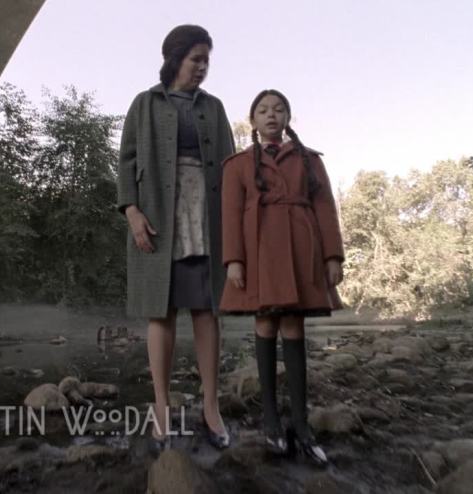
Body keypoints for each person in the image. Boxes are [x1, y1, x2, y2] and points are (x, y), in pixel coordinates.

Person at [116, 25, 236, 451]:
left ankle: (210, 406)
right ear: (176, 58)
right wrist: (132, 212)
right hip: (157, 215)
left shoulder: (214, 107)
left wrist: (235, 223)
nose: (202, 67)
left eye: (207, 60)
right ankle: (162, 405)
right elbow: (126, 161)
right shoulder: (144, 103)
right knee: (161, 311)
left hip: (205, 215)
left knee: (206, 310)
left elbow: (231, 165)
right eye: (196, 59)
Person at [219, 89, 345, 464]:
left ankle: (301, 427)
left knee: (293, 325)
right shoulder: (237, 164)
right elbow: (230, 214)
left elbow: (326, 208)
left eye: (278, 109)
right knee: (265, 323)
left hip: (301, 248)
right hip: (258, 250)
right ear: (253, 121)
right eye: (263, 110)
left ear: (288, 117)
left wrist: (332, 256)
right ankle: (271, 423)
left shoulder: (309, 160)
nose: (271, 114)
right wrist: (234, 260)